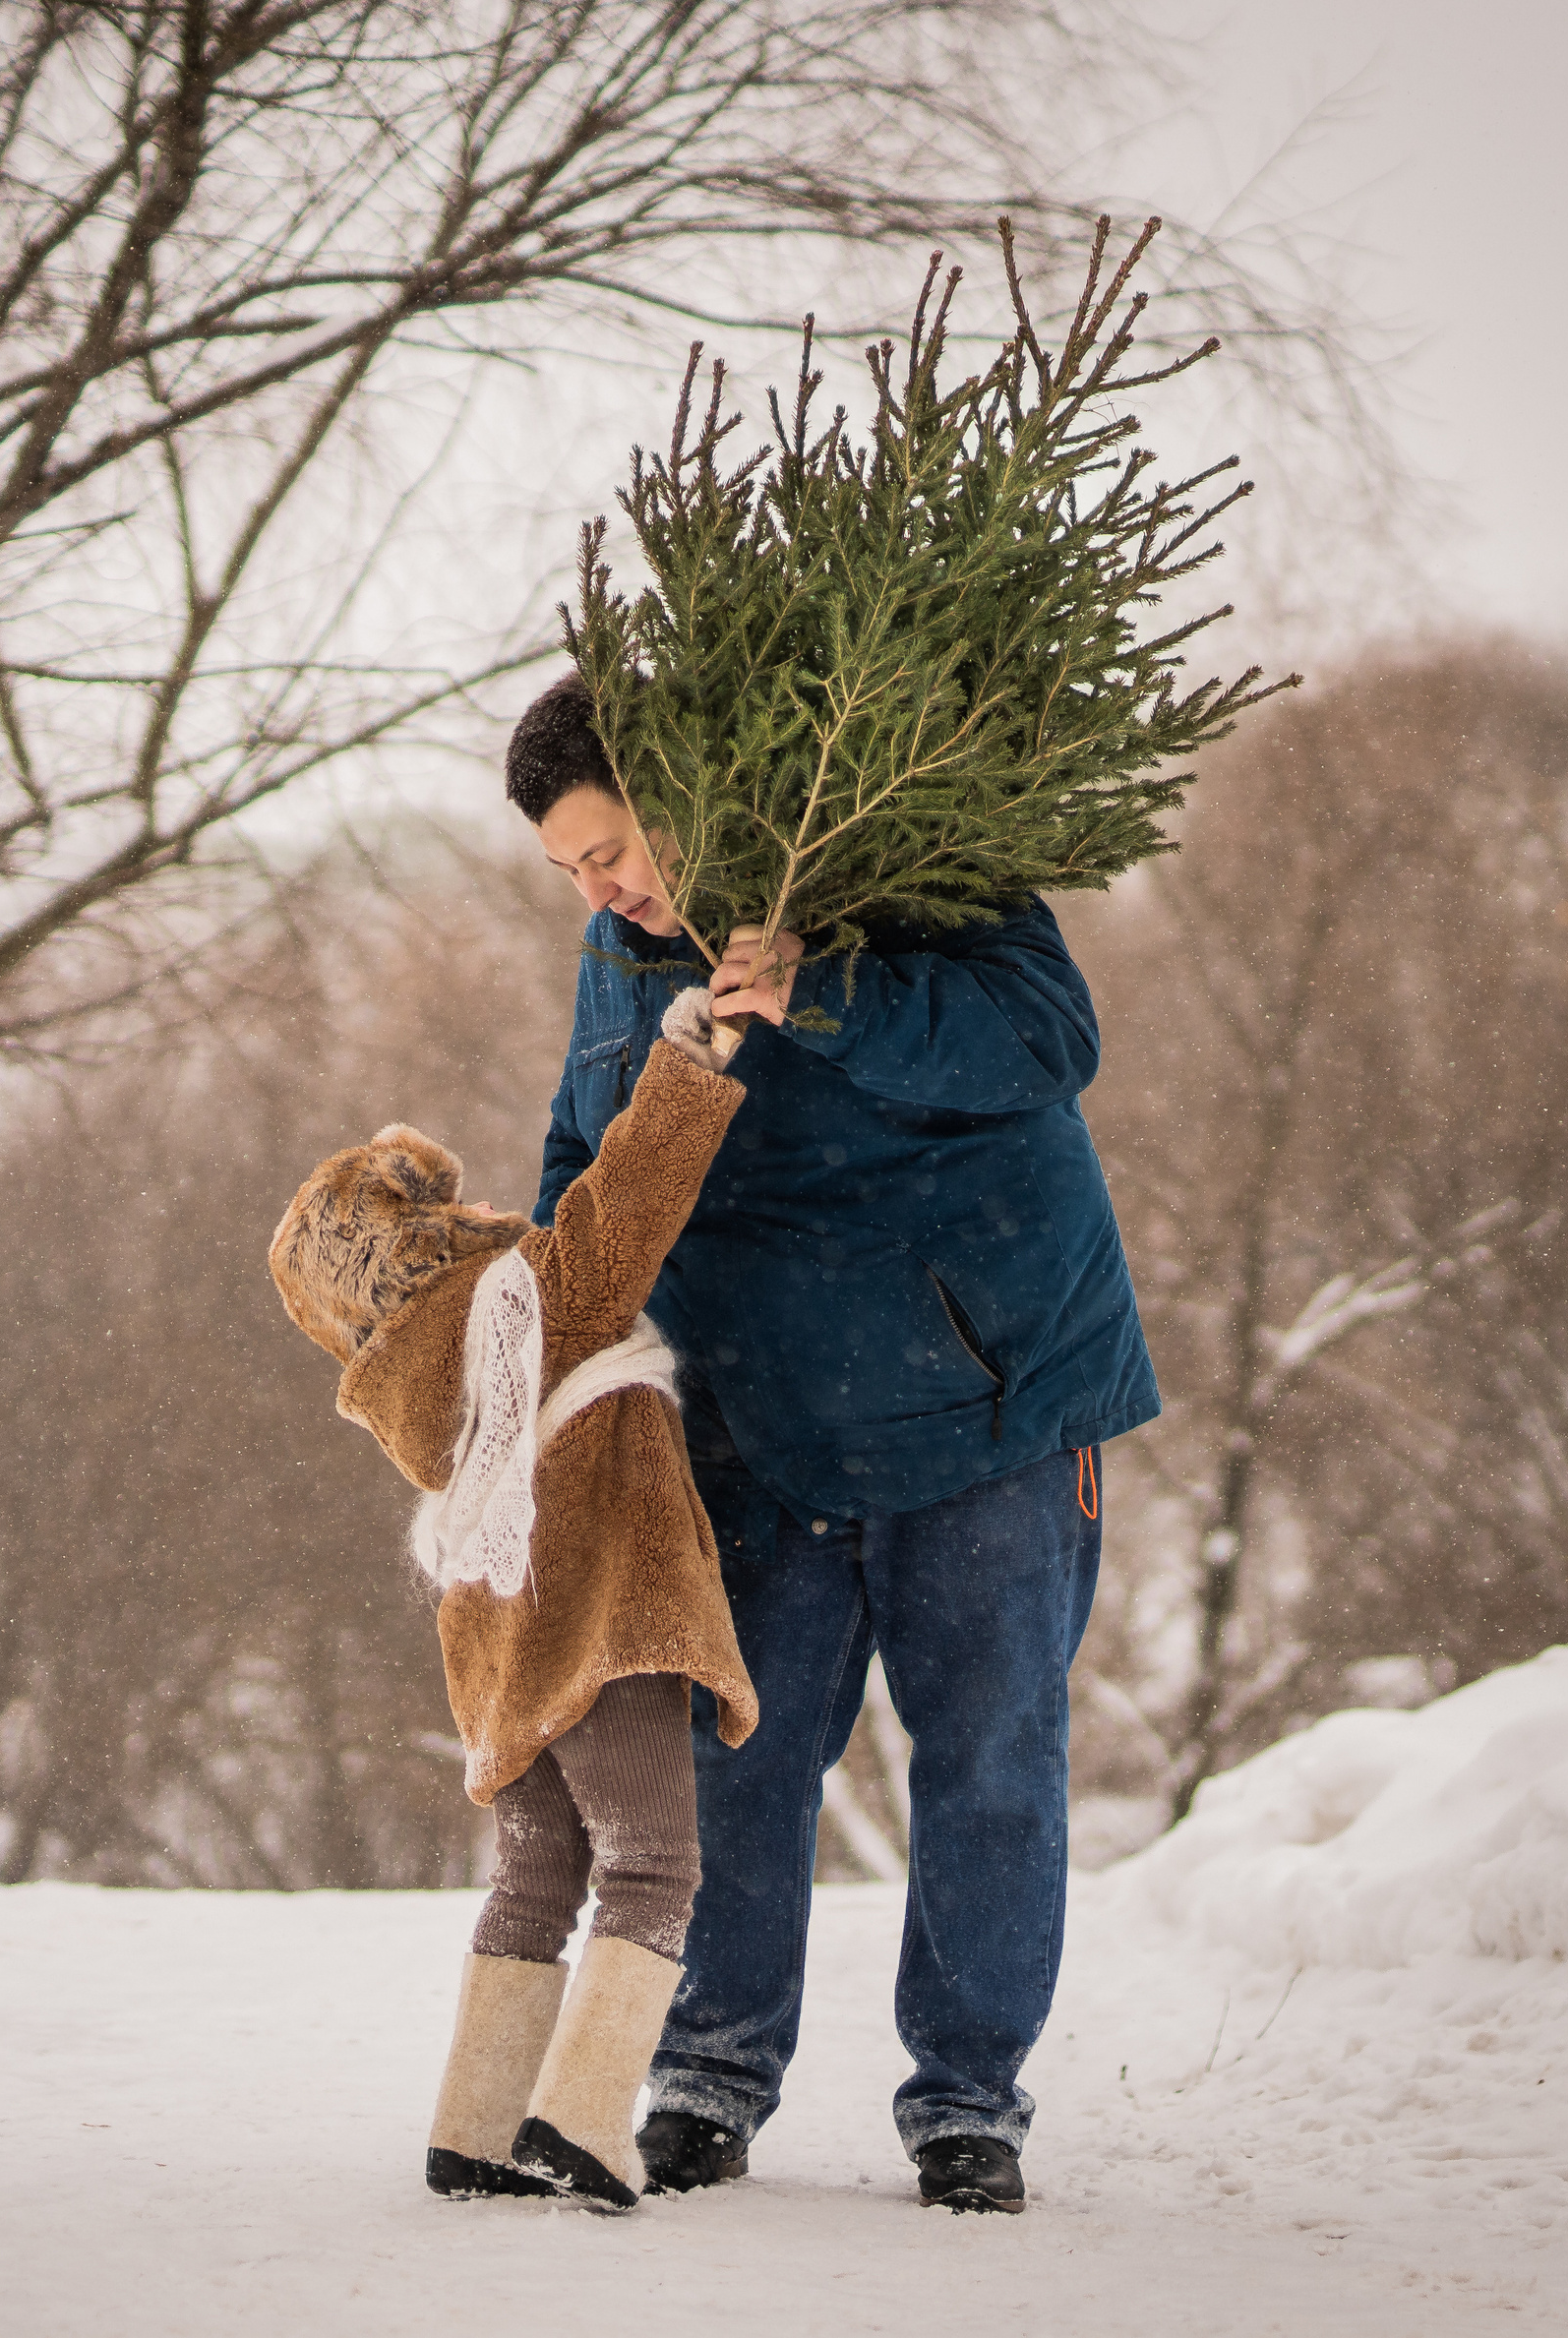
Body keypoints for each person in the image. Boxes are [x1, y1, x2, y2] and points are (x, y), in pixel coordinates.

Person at [505, 671, 1158, 2214]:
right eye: (571, 871)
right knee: (743, 1756)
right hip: (762, 1417)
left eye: (610, 846)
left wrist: (823, 992)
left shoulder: (910, 866)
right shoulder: (624, 951)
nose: (599, 888)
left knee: (991, 1757)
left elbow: (1045, 1039)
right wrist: (546, 1322)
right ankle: (711, 2075)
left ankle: (968, 2101)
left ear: (690, 788)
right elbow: (581, 1152)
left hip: (988, 1397)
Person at [267, 987, 761, 2211]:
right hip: (599, 1615)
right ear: (414, 1242)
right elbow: (625, 1206)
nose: (484, 1211)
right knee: (653, 1865)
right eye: (441, 1209)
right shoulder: (518, 1305)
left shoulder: (402, 1378)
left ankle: (473, 2130)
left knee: (537, 1873)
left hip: (499, 1641)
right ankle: (584, 2122)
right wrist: (690, 1062)